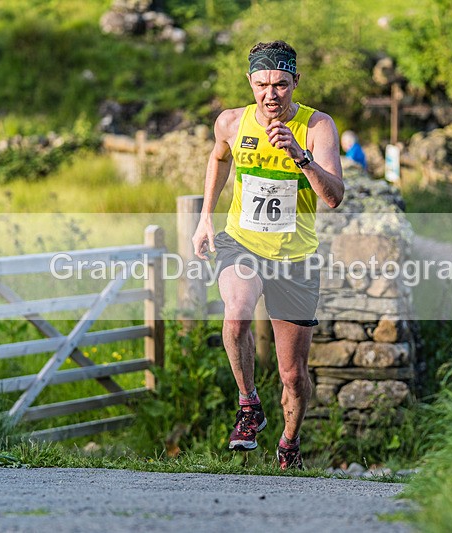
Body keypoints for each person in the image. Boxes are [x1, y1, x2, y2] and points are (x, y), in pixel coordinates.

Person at [192, 40, 344, 470]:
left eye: (280, 84)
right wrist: (206, 218)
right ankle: (249, 405)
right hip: (242, 242)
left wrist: (302, 158)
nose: (270, 94)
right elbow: (218, 158)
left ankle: (289, 442)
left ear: (296, 81)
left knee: (293, 376)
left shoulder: (317, 127)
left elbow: (334, 198)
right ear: (250, 82)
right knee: (236, 313)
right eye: (261, 84)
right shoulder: (231, 121)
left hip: (295, 259)